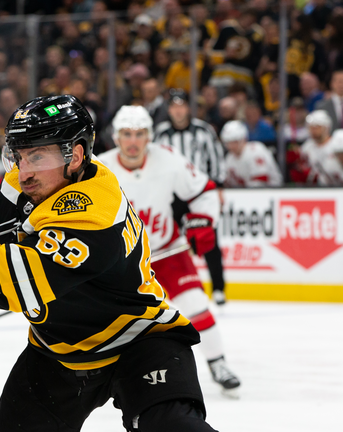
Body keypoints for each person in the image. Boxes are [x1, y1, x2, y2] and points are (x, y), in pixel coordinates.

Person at [0, 95, 219, 431]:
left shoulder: (95, 208)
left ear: (76, 155)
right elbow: (8, 230)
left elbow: (23, 280)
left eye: (37, 157)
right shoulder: (27, 180)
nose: (24, 170)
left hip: (138, 342)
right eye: (18, 155)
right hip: (56, 352)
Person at [100, 105, 241, 396]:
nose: (133, 141)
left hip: (167, 250)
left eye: (140, 134)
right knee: (110, 321)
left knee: (196, 305)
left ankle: (218, 362)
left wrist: (203, 221)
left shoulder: (169, 160)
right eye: (127, 134)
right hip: (122, 262)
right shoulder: (99, 170)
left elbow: (204, 191)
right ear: (116, 137)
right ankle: (105, 374)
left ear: (149, 135)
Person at [154, 89, 229, 305]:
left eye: (181, 106)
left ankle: (218, 288)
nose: (178, 111)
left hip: (198, 194)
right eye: (173, 106)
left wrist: (218, 189)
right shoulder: (161, 134)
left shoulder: (204, 131)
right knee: (166, 240)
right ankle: (166, 287)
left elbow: (216, 160)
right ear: (169, 109)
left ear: (188, 107)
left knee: (208, 238)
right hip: (171, 196)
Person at [220, 120, 283, 187]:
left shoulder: (256, 150)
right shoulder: (229, 158)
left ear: (243, 139)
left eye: (234, 142)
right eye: (227, 142)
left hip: (270, 193)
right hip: (245, 194)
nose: (230, 146)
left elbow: (260, 183)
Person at [300, 110, 343, 186]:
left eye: (317, 127)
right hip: (317, 189)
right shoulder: (306, 147)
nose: (313, 130)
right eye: (311, 127)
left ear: (326, 127)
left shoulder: (337, 145)